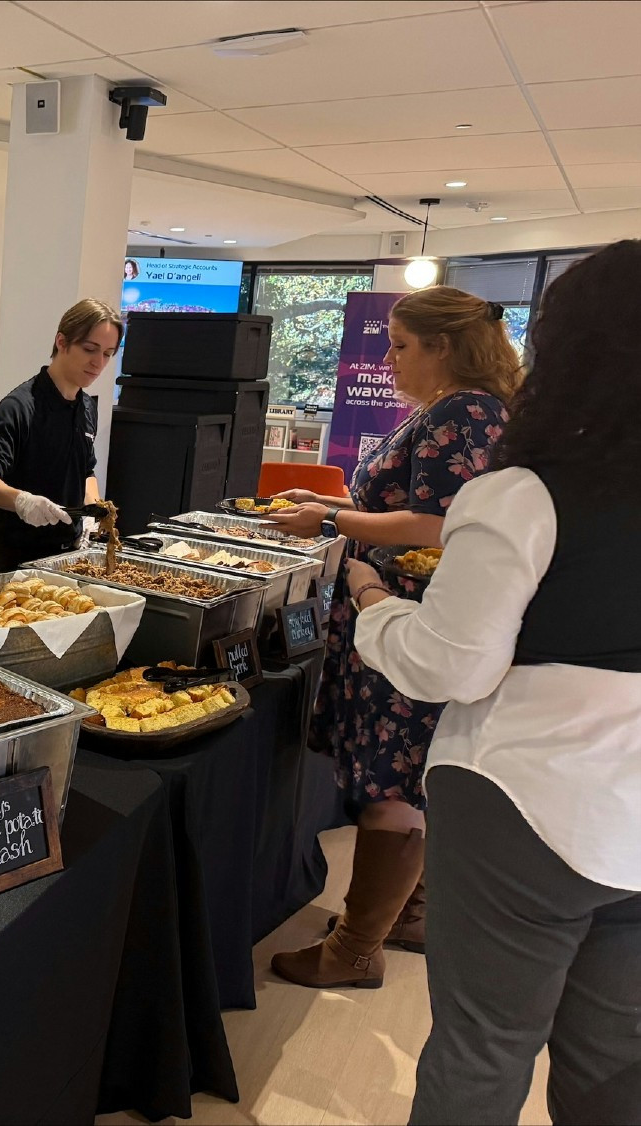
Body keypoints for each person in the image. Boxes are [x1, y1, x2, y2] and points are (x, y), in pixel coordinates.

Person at [348, 241, 641, 1125]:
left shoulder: (529, 490)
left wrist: (370, 603)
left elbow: (451, 663)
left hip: (524, 793)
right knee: (617, 1060)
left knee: (483, 1046)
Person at [263, 285, 521, 989]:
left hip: (407, 625)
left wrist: (328, 525)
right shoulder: (464, 410)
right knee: (404, 787)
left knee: (393, 790)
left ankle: (355, 950)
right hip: (394, 617)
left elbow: (436, 526)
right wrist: (331, 504)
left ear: (444, 347)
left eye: (401, 346)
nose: (389, 358)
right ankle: (398, 916)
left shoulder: (465, 411)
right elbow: (400, 506)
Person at [0, 298, 122, 573]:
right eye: (90, 349)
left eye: (108, 354)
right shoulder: (19, 407)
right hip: (18, 564)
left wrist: (92, 510)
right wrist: (22, 501)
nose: (99, 362)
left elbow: (85, 470)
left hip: (70, 559)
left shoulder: (86, 407)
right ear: (62, 342)